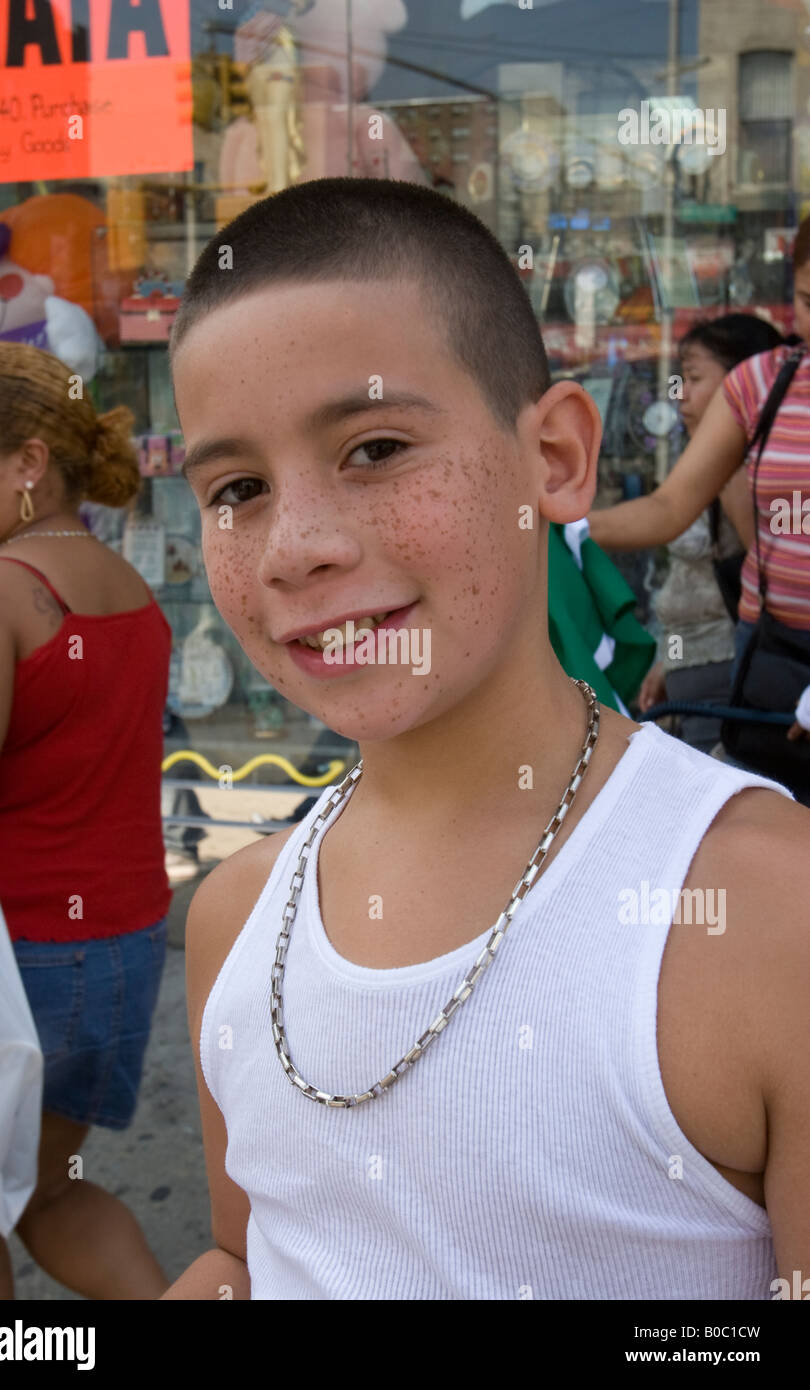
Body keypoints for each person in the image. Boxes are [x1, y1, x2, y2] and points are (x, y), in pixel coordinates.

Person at [162, 179, 809, 1301]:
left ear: (553, 459)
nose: (294, 546)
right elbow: (243, 1254)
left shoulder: (764, 917)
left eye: (372, 449)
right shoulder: (234, 917)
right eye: (238, 487)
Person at [0, 342, 172, 1299]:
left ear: (28, 462)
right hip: (117, 953)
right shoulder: (129, 590)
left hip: (14, 960)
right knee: (46, 1191)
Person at [588, 217, 810, 757]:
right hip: (770, 656)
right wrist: (551, 524)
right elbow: (669, 507)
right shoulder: (763, 383)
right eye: (808, 299)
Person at [636, 313, 784, 753]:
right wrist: (670, 657)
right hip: (688, 682)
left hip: (728, 689)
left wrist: (576, 525)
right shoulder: (702, 462)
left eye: (693, 378)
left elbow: (761, 577)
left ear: (742, 382)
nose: (679, 395)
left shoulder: (736, 471)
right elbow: (690, 586)